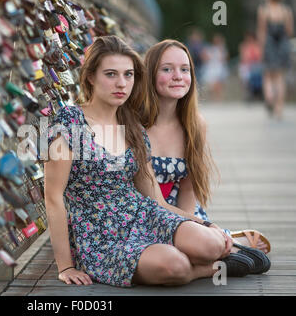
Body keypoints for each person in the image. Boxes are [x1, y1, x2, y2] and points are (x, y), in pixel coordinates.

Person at [44, 35, 269, 287]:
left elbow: (155, 200)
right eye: (111, 74)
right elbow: (53, 197)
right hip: (99, 236)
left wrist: (207, 225)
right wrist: (65, 266)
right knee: (176, 267)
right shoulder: (69, 121)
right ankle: (206, 268)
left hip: (143, 214)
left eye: (128, 75)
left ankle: (215, 249)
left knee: (211, 242)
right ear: (90, 77)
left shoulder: (133, 127)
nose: (121, 83)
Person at [141, 39, 271, 254]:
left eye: (185, 69)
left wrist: (186, 227)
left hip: (183, 212)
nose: (177, 76)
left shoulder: (194, 124)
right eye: (166, 69)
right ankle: (232, 244)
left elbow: (188, 188)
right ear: (149, 74)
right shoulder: (134, 124)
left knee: (193, 246)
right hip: (141, 212)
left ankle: (222, 241)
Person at [257, 0, 293, 120]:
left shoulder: (264, 10)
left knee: (268, 75)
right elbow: (289, 31)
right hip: (282, 44)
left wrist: (261, 49)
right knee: (280, 77)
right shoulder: (286, 11)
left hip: (269, 44)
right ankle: (279, 108)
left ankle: (269, 98)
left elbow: (262, 31)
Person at [200, 33, 229, 101]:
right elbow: (205, 58)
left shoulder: (222, 49)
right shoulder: (210, 49)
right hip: (212, 69)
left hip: (219, 69)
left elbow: (224, 59)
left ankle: (218, 98)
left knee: (218, 83)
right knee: (212, 84)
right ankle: (215, 97)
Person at [238, 31, 263, 101]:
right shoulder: (243, 46)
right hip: (247, 66)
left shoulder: (257, 46)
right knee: (244, 74)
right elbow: (244, 58)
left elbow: (259, 57)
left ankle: (257, 93)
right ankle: (248, 94)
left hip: (255, 65)